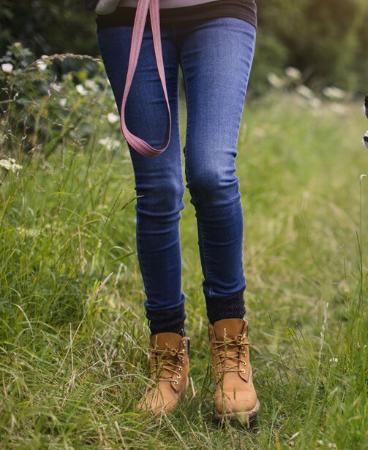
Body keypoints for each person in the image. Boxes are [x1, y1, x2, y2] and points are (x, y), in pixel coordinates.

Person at [95, 0, 258, 424]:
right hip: (129, 15)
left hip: (219, 10)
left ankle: (229, 346)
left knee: (212, 172)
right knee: (158, 189)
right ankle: (167, 351)